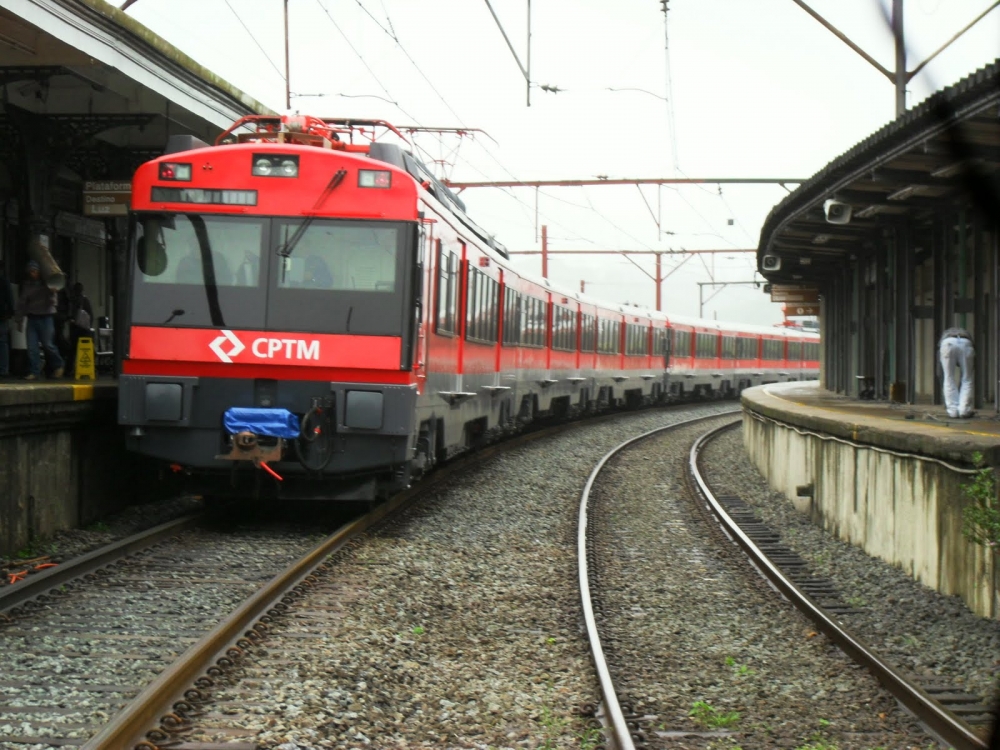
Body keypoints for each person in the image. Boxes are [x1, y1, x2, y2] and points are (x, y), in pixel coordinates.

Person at [15, 260, 64, 380]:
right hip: (32, 317)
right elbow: (22, 303)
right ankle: (34, 371)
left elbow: (54, 301)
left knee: (48, 344)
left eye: (35, 271)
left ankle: (58, 365)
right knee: (32, 347)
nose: (33, 273)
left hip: (46, 317)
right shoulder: (27, 285)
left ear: (39, 271)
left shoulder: (46, 284)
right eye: (31, 271)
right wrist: (19, 319)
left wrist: (52, 293)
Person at [939, 326, 974, 419]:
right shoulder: (967, 335)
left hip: (948, 343)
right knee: (967, 379)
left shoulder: (946, 334)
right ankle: (964, 410)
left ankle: (953, 411)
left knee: (948, 377)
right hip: (966, 343)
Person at [67, 282, 93, 376]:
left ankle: (69, 370)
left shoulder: (72, 300)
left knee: (72, 350)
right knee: (85, 350)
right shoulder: (85, 300)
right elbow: (91, 316)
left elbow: (70, 315)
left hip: (75, 329)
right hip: (85, 330)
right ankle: (85, 369)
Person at [0, 266, 13, 377]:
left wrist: (9, 312)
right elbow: (9, 298)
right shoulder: (4, 281)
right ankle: (4, 369)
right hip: (2, 314)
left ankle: (4, 369)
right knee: (3, 342)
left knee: (2, 342)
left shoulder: (4, 281)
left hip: (2, 315)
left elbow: (9, 298)